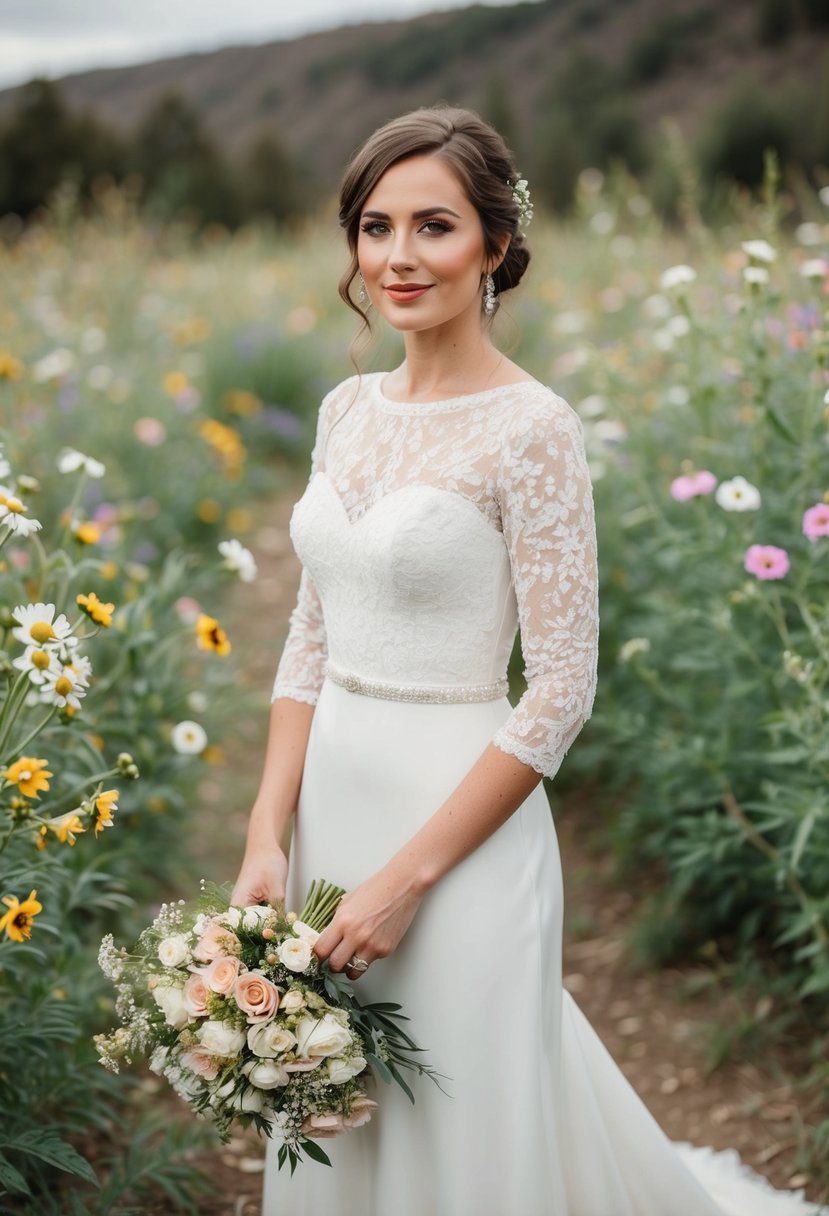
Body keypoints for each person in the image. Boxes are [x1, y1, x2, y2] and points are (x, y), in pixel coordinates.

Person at [231, 107, 821, 1216]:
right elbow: (308, 636)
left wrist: (408, 882)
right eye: (374, 226)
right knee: (326, 1086)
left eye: (434, 226)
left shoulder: (532, 427)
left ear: (495, 245)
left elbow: (561, 686)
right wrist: (268, 829)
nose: (397, 256)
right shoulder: (342, 409)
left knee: (466, 1104)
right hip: (330, 803)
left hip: (459, 825)